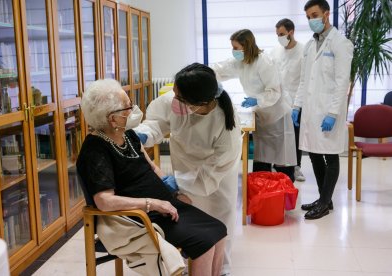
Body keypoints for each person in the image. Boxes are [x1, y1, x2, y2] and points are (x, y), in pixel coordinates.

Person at [77, 78, 227, 276]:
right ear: (112, 119)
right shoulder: (95, 150)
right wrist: (153, 204)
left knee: (219, 231)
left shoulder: (129, 136)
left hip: (162, 207)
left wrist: (172, 190)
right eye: (128, 106)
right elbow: (104, 201)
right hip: (136, 217)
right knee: (204, 242)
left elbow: (152, 167)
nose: (134, 109)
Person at [135, 63, 242, 276]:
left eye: (178, 96)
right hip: (185, 164)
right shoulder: (178, 100)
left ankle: (222, 269)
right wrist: (144, 133)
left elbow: (213, 171)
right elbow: (157, 122)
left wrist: (180, 182)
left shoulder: (225, 125)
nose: (173, 99)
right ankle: (192, 262)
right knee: (189, 218)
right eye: (174, 93)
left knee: (220, 219)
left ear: (200, 102)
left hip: (216, 176)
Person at [292, 0, 353, 219]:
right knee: (315, 154)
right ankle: (323, 199)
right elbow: (303, 81)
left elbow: (342, 82)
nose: (311, 20)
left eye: (315, 15)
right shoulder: (310, 46)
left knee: (331, 156)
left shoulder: (341, 43)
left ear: (326, 14)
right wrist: (296, 106)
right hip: (311, 110)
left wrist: (333, 113)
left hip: (328, 111)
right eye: (308, 17)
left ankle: (325, 202)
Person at [212, 29, 297, 182]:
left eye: (236, 48)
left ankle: (284, 197)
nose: (234, 51)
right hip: (261, 115)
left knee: (282, 161)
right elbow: (220, 69)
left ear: (246, 46)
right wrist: (202, 73)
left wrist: (257, 100)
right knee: (262, 158)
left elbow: (274, 91)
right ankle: (261, 194)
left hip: (277, 116)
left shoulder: (264, 61)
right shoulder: (241, 62)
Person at [270, 18, 306, 182]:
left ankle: (296, 167)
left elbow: (304, 81)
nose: (279, 37)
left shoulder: (303, 51)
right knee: (277, 135)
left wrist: (297, 106)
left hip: (296, 102)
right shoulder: (276, 50)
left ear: (291, 32)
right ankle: (277, 164)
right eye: (277, 34)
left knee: (295, 137)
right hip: (277, 101)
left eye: (282, 34)